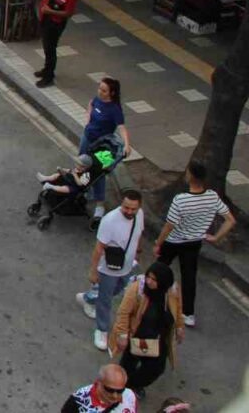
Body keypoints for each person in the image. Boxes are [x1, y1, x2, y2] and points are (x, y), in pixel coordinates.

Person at [153, 160, 236, 327]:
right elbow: (230, 220)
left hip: (173, 241)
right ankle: (188, 314)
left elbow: (169, 226)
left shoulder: (181, 200)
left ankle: (150, 297)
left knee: (159, 269)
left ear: (190, 176)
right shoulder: (212, 196)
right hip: (194, 242)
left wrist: (158, 243)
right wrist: (216, 237)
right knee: (189, 277)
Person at [76, 189, 145, 351]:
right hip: (109, 267)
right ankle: (101, 329)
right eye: (126, 207)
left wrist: (138, 251)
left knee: (118, 290)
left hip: (127, 265)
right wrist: (94, 271)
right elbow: (99, 248)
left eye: (133, 209)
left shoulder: (140, 215)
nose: (129, 211)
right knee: (106, 300)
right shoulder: (110, 220)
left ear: (139, 207)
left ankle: (88, 297)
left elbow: (138, 233)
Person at [111, 262, 183, 397]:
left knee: (156, 368)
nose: (149, 281)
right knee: (128, 366)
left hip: (158, 338)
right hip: (138, 335)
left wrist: (179, 326)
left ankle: (132, 385)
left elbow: (177, 309)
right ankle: (120, 389)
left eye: (154, 279)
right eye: (148, 277)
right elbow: (123, 312)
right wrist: (122, 334)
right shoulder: (138, 288)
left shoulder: (171, 291)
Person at [77, 77, 132, 218]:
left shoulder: (115, 109)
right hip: (87, 139)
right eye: (99, 88)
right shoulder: (97, 99)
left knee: (100, 173)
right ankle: (85, 189)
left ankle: (100, 204)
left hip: (104, 147)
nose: (100, 92)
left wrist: (126, 145)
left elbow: (122, 128)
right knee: (83, 165)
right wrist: (88, 120)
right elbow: (90, 104)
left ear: (112, 93)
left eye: (104, 90)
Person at [36, 0, 78, 87]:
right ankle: (46, 69)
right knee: (46, 46)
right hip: (45, 19)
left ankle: (49, 76)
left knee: (50, 49)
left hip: (55, 24)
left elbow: (68, 13)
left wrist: (50, 11)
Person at [60, 364, 138, 413]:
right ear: (99, 382)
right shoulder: (77, 403)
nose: (115, 395)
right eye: (110, 390)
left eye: (120, 390)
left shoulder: (129, 395)